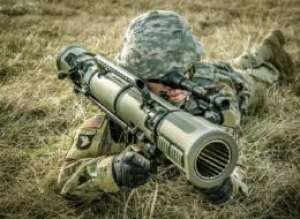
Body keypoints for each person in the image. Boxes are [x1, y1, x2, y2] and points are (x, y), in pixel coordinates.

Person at [56, 10, 294, 204]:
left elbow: (233, 166)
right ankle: (254, 55)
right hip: (211, 72)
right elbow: (64, 183)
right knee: (235, 64)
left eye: (182, 75)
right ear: (136, 76)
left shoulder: (215, 97)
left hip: (234, 82)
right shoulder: (120, 106)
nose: (177, 88)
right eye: (163, 82)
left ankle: (268, 55)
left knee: (256, 77)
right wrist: (112, 171)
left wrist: (224, 185)